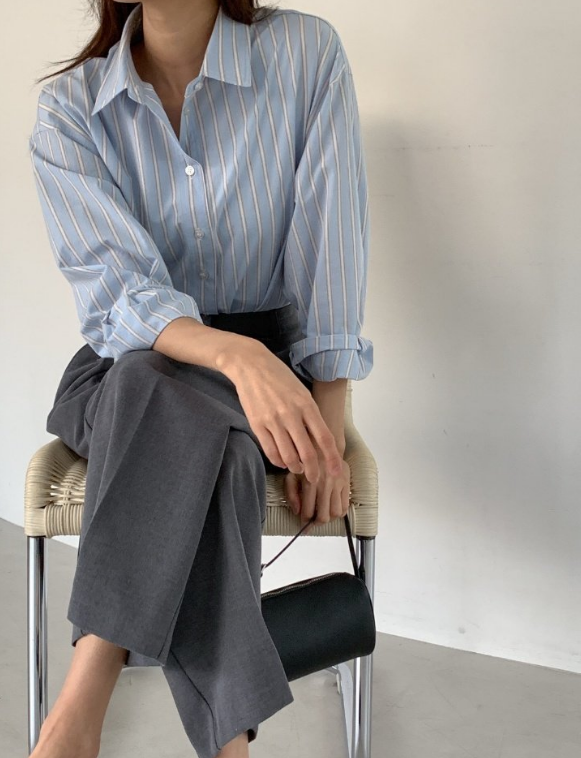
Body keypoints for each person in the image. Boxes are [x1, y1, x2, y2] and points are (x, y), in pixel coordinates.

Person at [28, 1, 374, 757]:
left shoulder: (303, 55)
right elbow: (118, 293)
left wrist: (327, 420)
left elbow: (333, 237)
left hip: (266, 380)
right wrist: (234, 357)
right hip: (126, 369)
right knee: (152, 383)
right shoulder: (69, 110)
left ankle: (77, 710)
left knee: (203, 439)